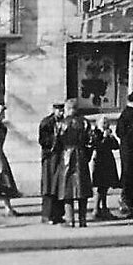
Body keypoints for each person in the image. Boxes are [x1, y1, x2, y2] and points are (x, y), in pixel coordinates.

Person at [54, 97, 95, 227]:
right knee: (82, 189)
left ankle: (69, 219)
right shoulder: (85, 123)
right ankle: (82, 220)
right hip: (81, 155)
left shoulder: (60, 124)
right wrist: (87, 155)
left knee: (67, 190)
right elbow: (91, 141)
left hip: (66, 156)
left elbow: (56, 143)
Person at [38, 102, 66, 225]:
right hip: (50, 158)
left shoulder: (65, 122)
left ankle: (59, 214)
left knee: (60, 185)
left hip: (60, 157)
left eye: (62, 110)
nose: (61, 113)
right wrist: (55, 138)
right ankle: (47, 215)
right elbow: (43, 140)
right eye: (58, 110)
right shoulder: (46, 122)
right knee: (49, 186)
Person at [115, 90, 133, 216]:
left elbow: (118, 132)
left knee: (127, 175)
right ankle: (126, 203)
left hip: (125, 149)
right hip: (131, 151)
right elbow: (132, 134)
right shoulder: (131, 115)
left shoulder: (123, 114)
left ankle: (127, 203)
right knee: (131, 177)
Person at [90, 115, 120, 220]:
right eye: (103, 123)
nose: (105, 125)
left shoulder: (109, 133)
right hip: (99, 160)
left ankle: (103, 208)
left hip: (108, 160)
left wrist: (111, 137)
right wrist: (104, 137)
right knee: (100, 185)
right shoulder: (95, 133)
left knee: (105, 185)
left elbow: (116, 146)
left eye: (107, 123)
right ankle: (97, 208)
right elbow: (97, 146)